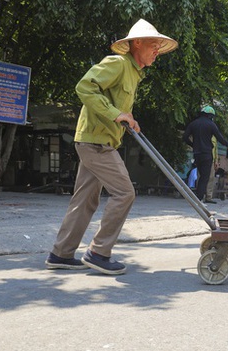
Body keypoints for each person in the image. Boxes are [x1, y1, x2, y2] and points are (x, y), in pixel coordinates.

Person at [45, 19, 178, 275]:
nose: (157, 51)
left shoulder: (134, 73)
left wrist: (127, 117)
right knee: (125, 193)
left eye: (159, 47)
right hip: (96, 143)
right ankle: (98, 252)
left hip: (97, 140)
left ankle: (60, 254)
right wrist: (115, 113)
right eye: (154, 45)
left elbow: (116, 106)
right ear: (136, 43)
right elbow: (84, 87)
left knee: (84, 201)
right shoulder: (118, 64)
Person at [182, 106, 228, 205]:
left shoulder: (193, 123)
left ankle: (198, 197)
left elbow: (185, 137)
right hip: (207, 154)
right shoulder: (211, 124)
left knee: (200, 176)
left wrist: (193, 145)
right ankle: (199, 199)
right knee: (204, 177)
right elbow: (220, 139)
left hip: (197, 154)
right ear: (210, 116)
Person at [203, 136, 218, 204]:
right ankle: (200, 196)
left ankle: (209, 197)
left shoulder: (214, 137)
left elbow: (215, 149)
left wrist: (216, 160)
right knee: (202, 177)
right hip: (203, 159)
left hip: (212, 160)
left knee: (211, 178)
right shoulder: (202, 133)